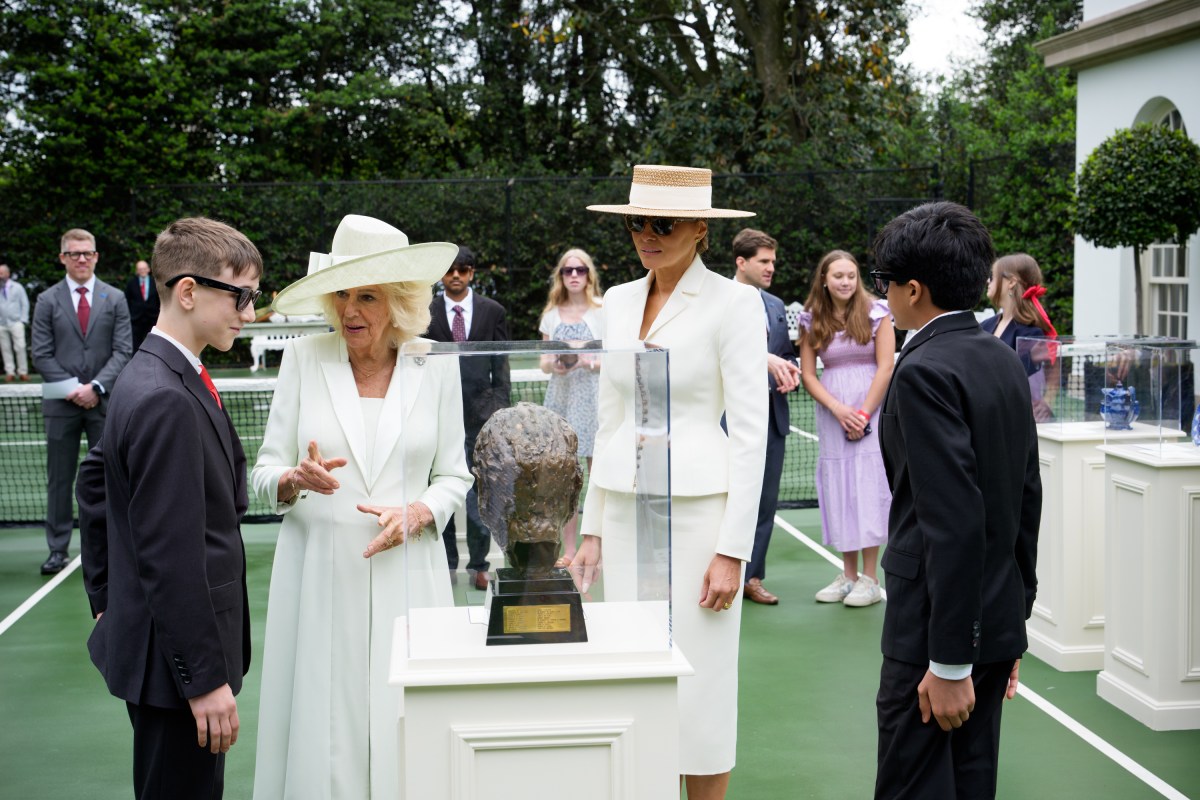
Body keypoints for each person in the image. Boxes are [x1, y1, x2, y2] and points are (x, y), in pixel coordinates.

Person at [250, 215, 472, 799]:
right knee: (327, 732)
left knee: (406, 719)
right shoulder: (303, 360)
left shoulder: (435, 361)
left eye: (367, 295)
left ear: (398, 301)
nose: (350, 309)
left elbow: (454, 473)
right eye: (342, 293)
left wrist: (419, 513)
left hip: (410, 575)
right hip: (320, 575)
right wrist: (295, 479)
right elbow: (262, 475)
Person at [579, 164, 767, 800]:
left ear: (700, 230)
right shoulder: (618, 302)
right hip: (627, 517)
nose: (646, 235)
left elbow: (750, 434)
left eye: (662, 224)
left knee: (703, 686)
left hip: (698, 522)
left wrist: (732, 550)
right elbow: (610, 417)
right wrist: (592, 528)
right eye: (637, 222)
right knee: (631, 677)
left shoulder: (735, 303)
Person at [77, 217, 262, 799]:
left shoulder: (154, 373)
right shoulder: (164, 396)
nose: (249, 314)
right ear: (188, 291)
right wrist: (203, 681)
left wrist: (108, 598)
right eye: (241, 296)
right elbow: (172, 556)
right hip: (177, 672)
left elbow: (93, 483)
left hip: (162, 656)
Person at [870, 202, 1041, 799]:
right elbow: (1026, 498)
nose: (882, 295)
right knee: (972, 783)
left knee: (909, 786)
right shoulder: (1000, 357)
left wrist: (948, 663)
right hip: (989, 619)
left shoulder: (921, 371)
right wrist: (1007, 625)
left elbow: (953, 523)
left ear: (912, 289)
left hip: (933, 635)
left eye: (883, 283)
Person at [797, 250, 895, 608]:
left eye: (851, 276)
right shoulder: (811, 319)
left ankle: (870, 579)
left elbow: (886, 367)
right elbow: (808, 374)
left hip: (872, 411)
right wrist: (840, 411)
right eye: (838, 276)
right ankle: (848, 575)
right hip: (832, 414)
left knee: (868, 487)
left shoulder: (877, 313)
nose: (845, 282)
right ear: (824, 279)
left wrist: (864, 415)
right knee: (840, 487)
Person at [31, 228, 132, 575]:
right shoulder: (46, 300)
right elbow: (40, 354)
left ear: (96, 256)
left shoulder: (115, 298)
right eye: (74, 254)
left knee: (110, 479)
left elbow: (123, 351)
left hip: (105, 406)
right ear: (63, 257)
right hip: (61, 406)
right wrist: (74, 388)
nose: (81, 259)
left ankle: (113, 550)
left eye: (87, 253)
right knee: (59, 480)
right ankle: (57, 550)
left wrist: (97, 388)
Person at [426, 245, 511, 590]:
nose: (456, 276)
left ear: (472, 273)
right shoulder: (425, 311)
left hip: (481, 419)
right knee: (440, 489)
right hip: (437, 415)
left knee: (480, 497)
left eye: (463, 269)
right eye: (450, 270)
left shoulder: (493, 312)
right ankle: (446, 564)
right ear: (442, 275)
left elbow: (500, 366)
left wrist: (499, 411)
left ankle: (479, 564)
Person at [731, 228, 800, 606]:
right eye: (764, 261)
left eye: (773, 261)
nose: (771, 267)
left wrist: (789, 372)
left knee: (764, 503)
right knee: (723, 499)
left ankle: (751, 577)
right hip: (727, 422)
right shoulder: (717, 302)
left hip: (771, 419)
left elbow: (784, 354)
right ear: (741, 262)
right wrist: (764, 360)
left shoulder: (774, 305)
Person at [537, 247, 605, 561]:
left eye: (580, 270)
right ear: (561, 276)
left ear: (589, 275)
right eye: (568, 270)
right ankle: (569, 550)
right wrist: (558, 364)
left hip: (593, 398)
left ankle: (598, 546)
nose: (574, 275)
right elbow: (544, 363)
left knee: (599, 476)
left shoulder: (602, 311)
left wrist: (586, 363)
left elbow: (614, 360)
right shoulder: (551, 315)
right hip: (562, 400)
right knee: (565, 479)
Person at [980, 253, 1059, 422]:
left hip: (1016, 419)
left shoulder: (1031, 333)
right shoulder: (985, 325)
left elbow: (1042, 374)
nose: (988, 281)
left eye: (992, 277)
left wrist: (1047, 402)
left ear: (1011, 282)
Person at [0, 261, 31, 381]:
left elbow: (25, 303)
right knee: (5, 348)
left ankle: (23, 372)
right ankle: (10, 372)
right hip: (2, 324)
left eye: (1, 273)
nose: (0, 276)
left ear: (7, 274)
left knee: (21, 347)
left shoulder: (17, 287)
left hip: (16, 322)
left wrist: (23, 320)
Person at [125, 258, 162, 350]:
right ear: (137, 271)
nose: (143, 271)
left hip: (152, 318)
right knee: (135, 344)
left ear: (148, 269)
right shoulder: (131, 283)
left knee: (154, 343)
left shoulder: (155, 283)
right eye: (140, 269)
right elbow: (127, 300)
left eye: (144, 268)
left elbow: (159, 300)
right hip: (136, 319)